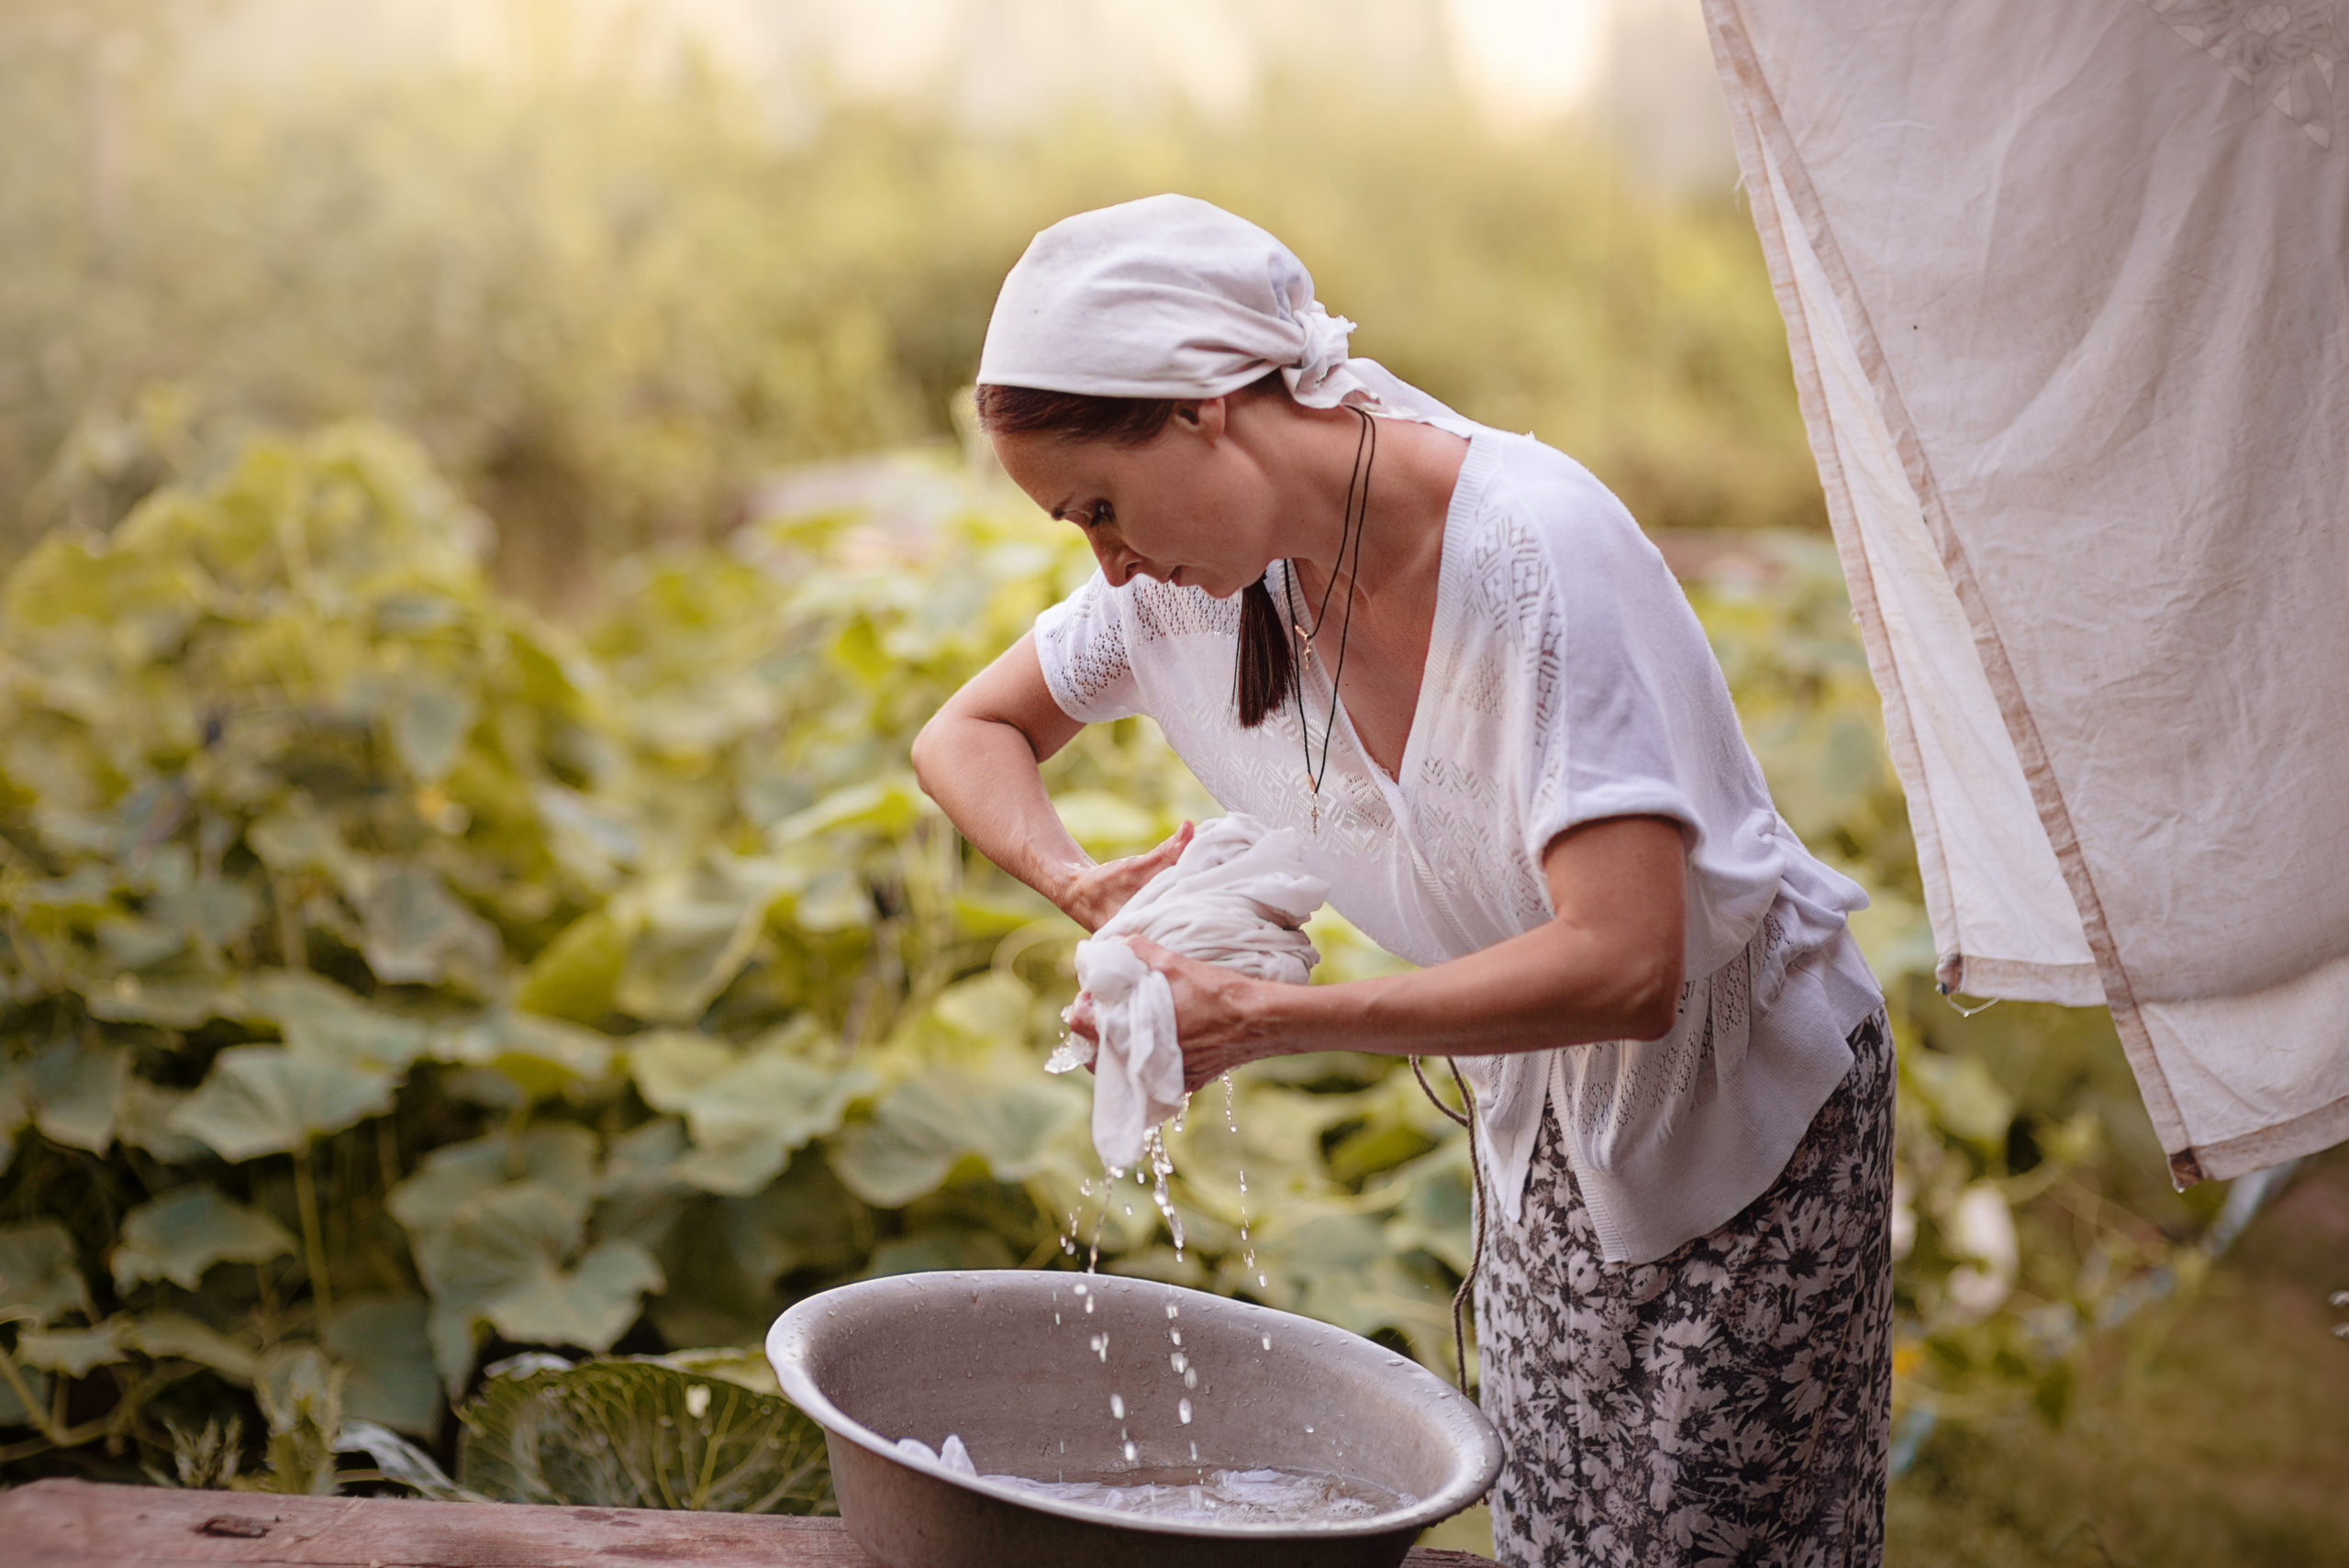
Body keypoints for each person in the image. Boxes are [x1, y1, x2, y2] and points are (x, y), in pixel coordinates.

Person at [910, 193, 1892, 1568]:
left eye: (1101, 507)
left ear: (1204, 406)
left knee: (1707, 1547)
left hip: (1744, 1124)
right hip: (1534, 1109)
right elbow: (965, 733)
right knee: (1557, 1528)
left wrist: (1262, 1016)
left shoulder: (1536, 552)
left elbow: (1628, 961)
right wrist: (1084, 884)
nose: (1108, 560)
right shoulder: (1192, 592)